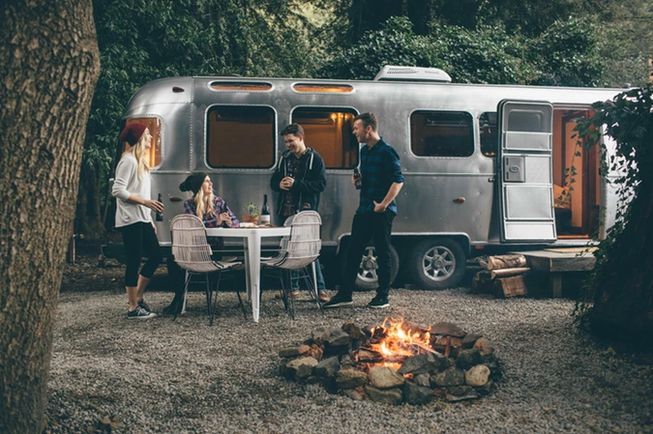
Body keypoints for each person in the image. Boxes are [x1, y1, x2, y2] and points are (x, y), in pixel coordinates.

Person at [324, 112, 404, 309]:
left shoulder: (387, 152)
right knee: (353, 251)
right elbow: (368, 183)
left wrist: (384, 204)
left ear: (368, 129)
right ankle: (345, 294)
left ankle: (382, 296)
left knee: (383, 252)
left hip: (381, 211)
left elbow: (398, 180)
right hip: (364, 209)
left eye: (356, 128)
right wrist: (358, 183)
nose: (354, 132)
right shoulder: (365, 152)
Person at [162, 173, 239, 314]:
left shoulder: (219, 202)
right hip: (195, 249)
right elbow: (195, 226)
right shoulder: (189, 204)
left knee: (175, 260)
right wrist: (216, 221)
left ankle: (181, 300)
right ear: (198, 186)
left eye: (210, 181)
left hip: (214, 250)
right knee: (172, 259)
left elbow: (236, 222)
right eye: (207, 182)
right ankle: (179, 297)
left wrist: (229, 222)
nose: (211, 184)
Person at [270, 123, 329, 301]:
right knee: (289, 250)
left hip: (305, 211)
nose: (288, 145)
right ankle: (292, 290)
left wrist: (296, 184)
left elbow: (321, 185)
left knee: (309, 250)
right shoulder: (285, 158)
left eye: (291, 141)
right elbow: (273, 181)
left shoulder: (314, 159)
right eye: (286, 142)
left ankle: (321, 290)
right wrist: (278, 185)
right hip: (286, 211)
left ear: (301, 138)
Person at [112, 122, 164, 319]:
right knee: (133, 261)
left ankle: (138, 298)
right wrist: (145, 202)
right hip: (129, 219)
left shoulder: (140, 162)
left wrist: (149, 218)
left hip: (142, 218)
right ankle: (133, 308)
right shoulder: (128, 161)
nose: (151, 138)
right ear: (140, 138)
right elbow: (117, 190)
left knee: (156, 256)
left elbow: (141, 191)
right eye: (148, 135)